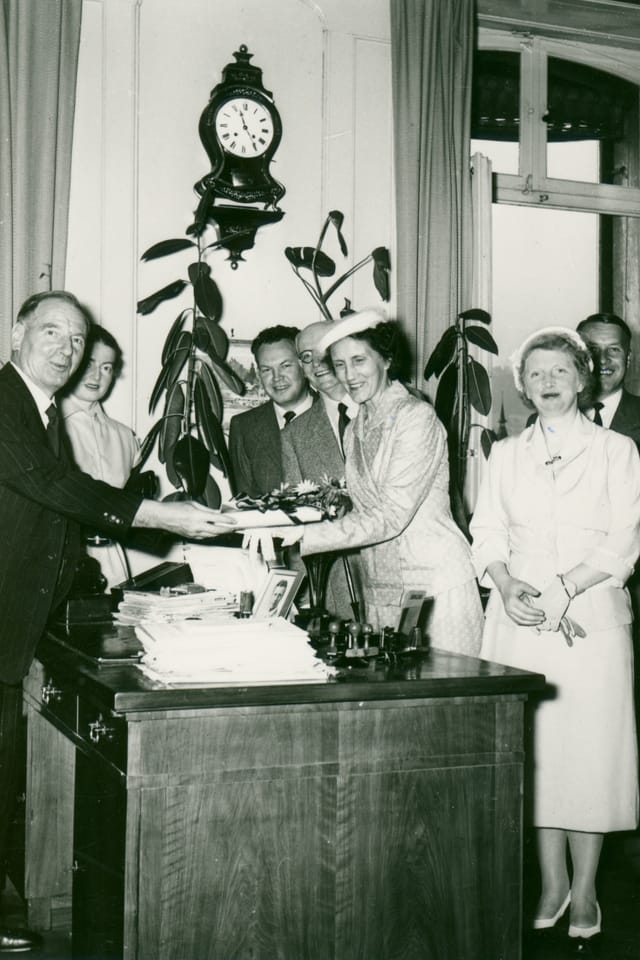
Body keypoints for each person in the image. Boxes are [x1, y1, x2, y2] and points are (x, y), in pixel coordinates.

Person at [0, 291, 232, 952]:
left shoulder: (38, 408)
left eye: (77, 339)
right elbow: (49, 485)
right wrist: (163, 516)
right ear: (18, 332)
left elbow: (45, 520)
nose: (66, 349)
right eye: (52, 332)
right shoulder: (4, 400)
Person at [470, 327, 640, 942]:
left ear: (582, 377)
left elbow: (623, 540)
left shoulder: (616, 450)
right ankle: (551, 882)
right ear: (523, 384)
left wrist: (566, 588)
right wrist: (506, 584)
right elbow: (485, 530)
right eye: (536, 373)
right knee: (537, 753)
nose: (548, 383)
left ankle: (588, 888)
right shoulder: (505, 454)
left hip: (592, 615)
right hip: (518, 618)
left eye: (560, 372)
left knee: (588, 753)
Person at [246, 309, 483, 652]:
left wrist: (299, 535)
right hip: (383, 586)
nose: (348, 375)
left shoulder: (416, 417)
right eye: (340, 364)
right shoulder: (357, 427)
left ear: (386, 360)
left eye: (359, 361)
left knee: (446, 695)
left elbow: (389, 515)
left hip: (433, 582)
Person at [281, 320, 361, 620]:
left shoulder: (401, 407)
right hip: (335, 593)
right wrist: (304, 602)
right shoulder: (294, 435)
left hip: (403, 581)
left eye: (324, 350)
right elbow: (297, 528)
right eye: (305, 357)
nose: (317, 363)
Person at [60, 324, 141, 588]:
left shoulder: (125, 437)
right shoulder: (47, 426)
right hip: (60, 561)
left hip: (114, 564)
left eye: (106, 367)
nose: (96, 375)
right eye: (89, 363)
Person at [228, 325, 312, 498]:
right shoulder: (244, 427)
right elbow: (245, 502)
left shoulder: (336, 415)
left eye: (285, 366)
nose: (276, 377)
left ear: (303, 366)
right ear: (258, 373)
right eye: (266, 369)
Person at [576, 313, 640, 446]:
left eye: (614, 349)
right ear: (577, 356)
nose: (602, 359)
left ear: (628, 358)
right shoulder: (546, 420)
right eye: (593, 349)